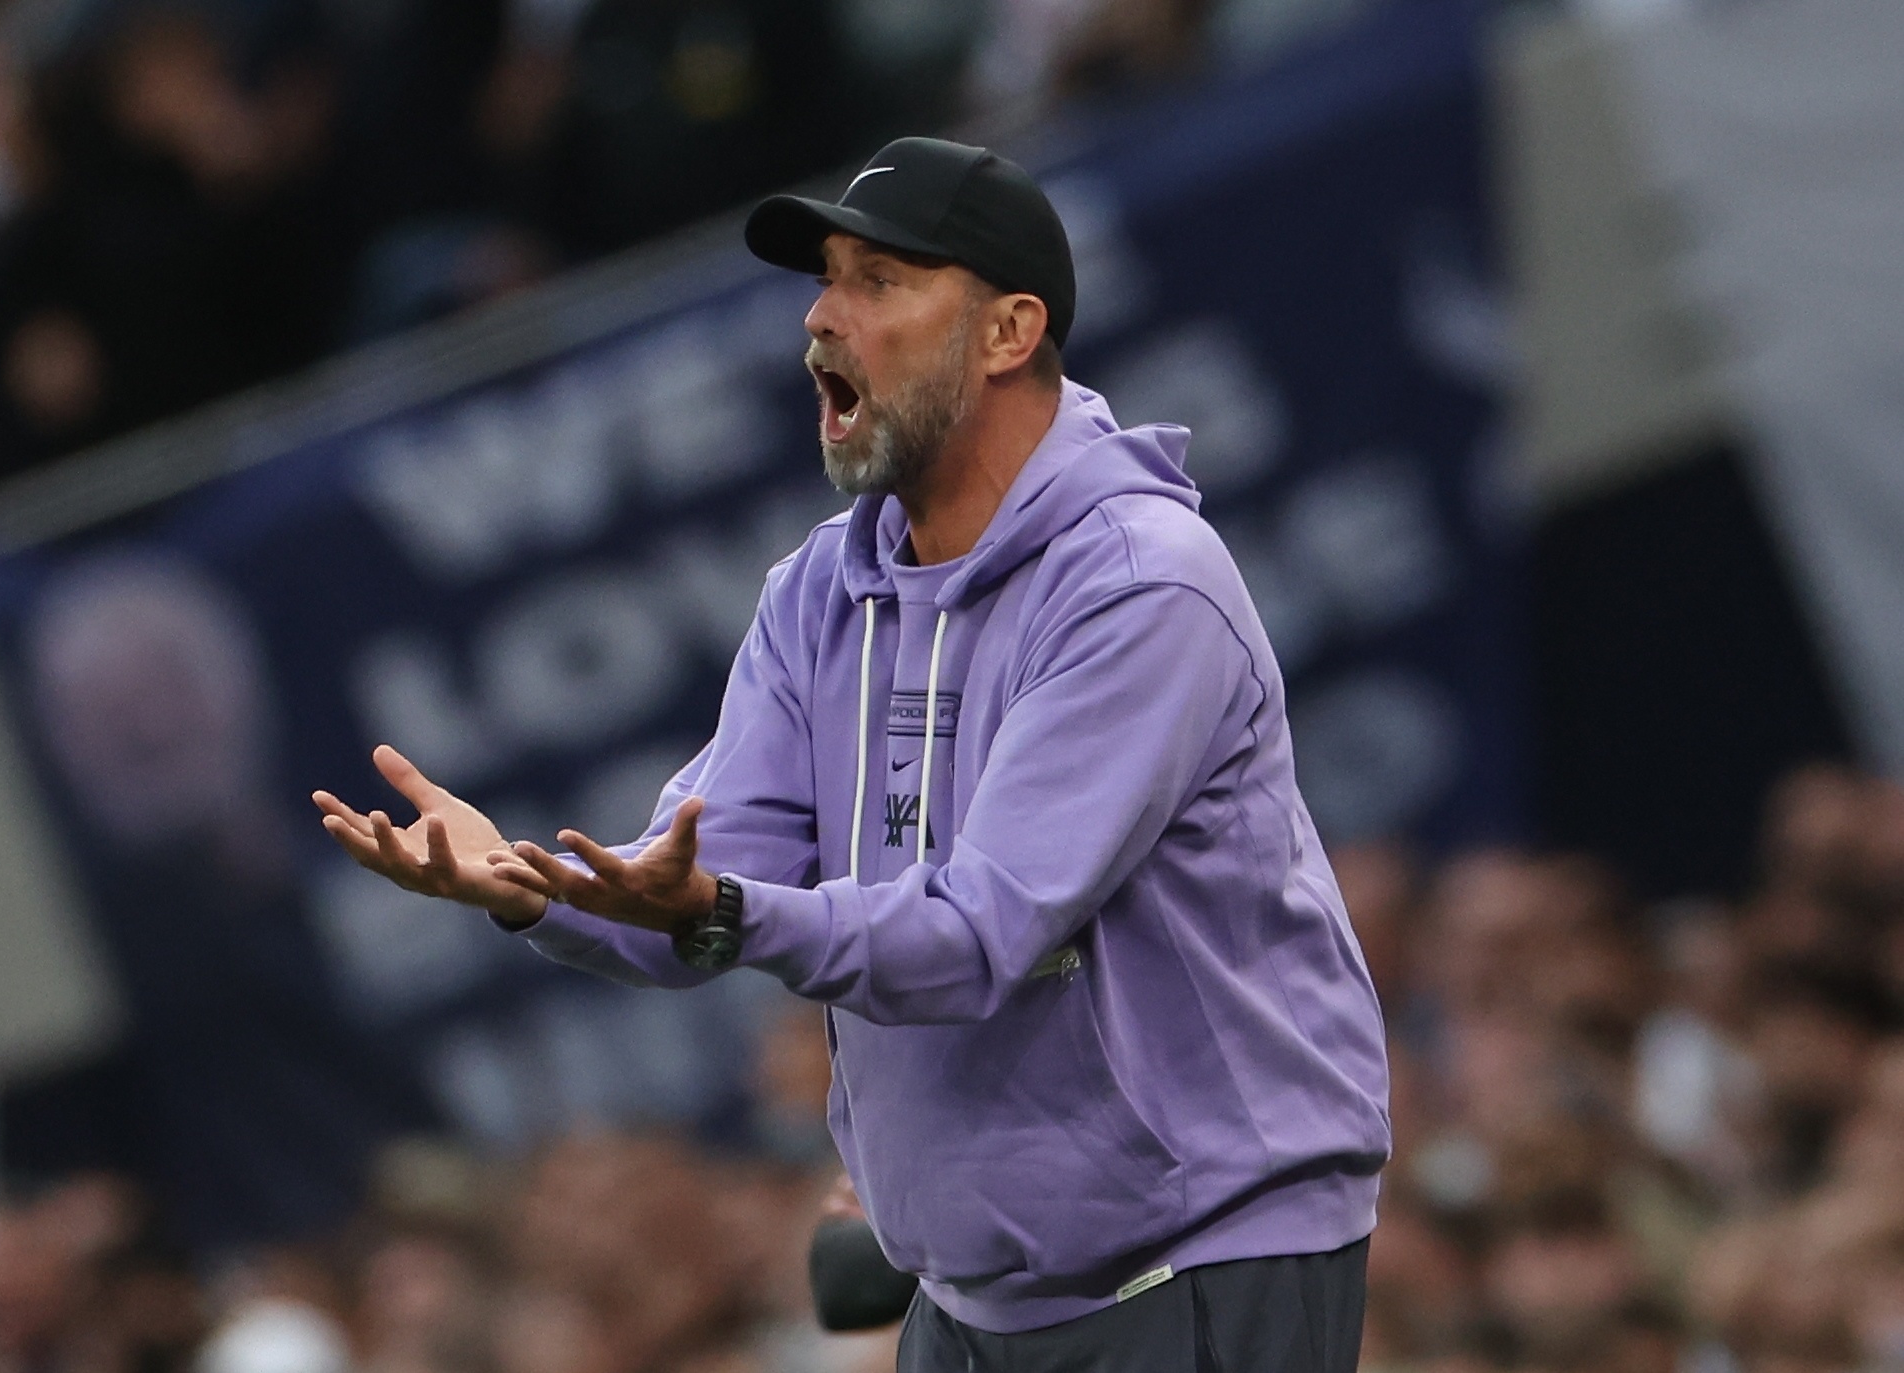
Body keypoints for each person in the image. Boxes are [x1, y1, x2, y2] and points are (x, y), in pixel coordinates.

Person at [316, 136, 1390, 1371]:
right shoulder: (820, 592)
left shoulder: (1140, 583)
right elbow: (690, 884)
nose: (820, 319)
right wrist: (531, 887)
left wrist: (720, 912)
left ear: (1007, 332)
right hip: (977, 1295)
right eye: (824, 280)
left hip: (1194, 1256)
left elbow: (977, 933)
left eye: (877, 281)